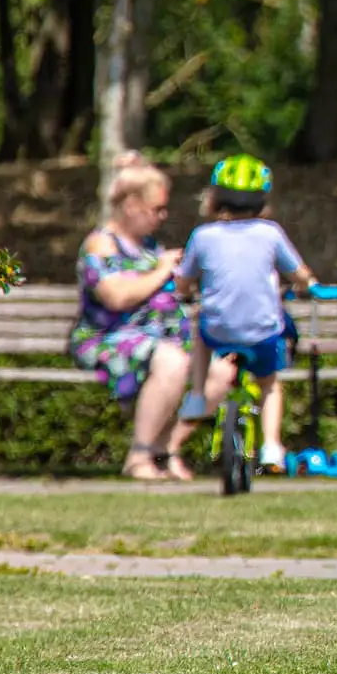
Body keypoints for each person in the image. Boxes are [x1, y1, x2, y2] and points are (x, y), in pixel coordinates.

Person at [70, 153, 225, 481]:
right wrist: (162, 270)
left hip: (160, 341)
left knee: (221, 371)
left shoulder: (149, 246)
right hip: (108, 341)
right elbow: (116, 297)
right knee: (172, 362)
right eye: (156, 209)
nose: (163, 216)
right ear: (130, 205)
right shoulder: (101, 245)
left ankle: (167, 448)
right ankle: (139, 456)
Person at [176, 155, 319, 474]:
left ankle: (197, 396)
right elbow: (299, 274)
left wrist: (184, 294)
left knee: (201, 330)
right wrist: (310, 285)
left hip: (219, 331)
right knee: (269, 384)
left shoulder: (203, 236)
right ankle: (271, 447)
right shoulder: (271, 233)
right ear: (263, 200)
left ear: (215, 198)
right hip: (263, 332)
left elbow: (183, 281)